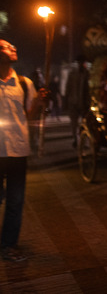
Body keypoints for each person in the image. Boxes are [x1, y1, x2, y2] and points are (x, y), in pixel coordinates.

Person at [0, 39, 48, 261]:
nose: (13, 49)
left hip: (18, 150)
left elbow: (29, 116)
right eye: (5, 47)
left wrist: (39, 103)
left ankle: (9, 245)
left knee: (15, 201)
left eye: (13, 47)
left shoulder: (24, 82)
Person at [65, 54, 90, 147]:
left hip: (83, 103)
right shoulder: (72, 74)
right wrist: (66, 101)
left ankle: (84, 140)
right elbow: (68, 88)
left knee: (84, 123)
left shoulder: (87, 73)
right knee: (74, 124)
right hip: (73, 102)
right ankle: (76, 139)